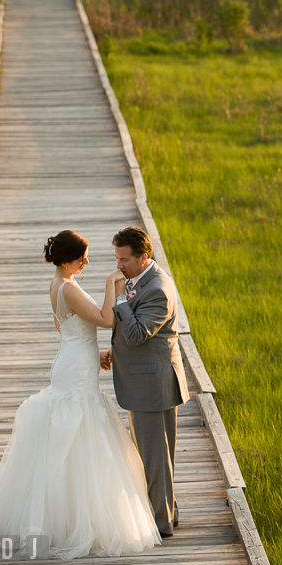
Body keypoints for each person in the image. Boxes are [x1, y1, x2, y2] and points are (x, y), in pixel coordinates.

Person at [0, 230, 161, 560]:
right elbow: (105, 320)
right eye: (82, 258)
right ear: (66, 260)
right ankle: (71, 521)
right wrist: (111, 286)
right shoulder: (69, 288)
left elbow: (69, 329)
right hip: (75, 371)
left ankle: (74, 512)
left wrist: (97, 355)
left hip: (74, 360)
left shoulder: (58, 285)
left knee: (76, 436)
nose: (86, 262)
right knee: (79, 434)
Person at [104, 226, 189, 538]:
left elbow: (138, 334)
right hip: (146, 380)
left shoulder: (158, 289)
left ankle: (160, 524)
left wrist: (118, 299)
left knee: (154, 460)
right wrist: (115, 351)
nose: (118, 266)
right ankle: (168, 513)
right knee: (156, 457)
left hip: (152, 386)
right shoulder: (141, 280)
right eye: (116, 258)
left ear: (144, 257)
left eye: (124, 260)